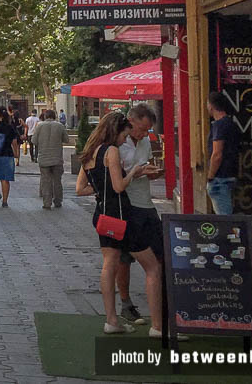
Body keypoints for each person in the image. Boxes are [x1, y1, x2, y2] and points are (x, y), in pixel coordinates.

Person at [75, 111, 162, 336]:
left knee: (109, 265)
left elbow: (80, 189)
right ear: (117, 131)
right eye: (124, 134)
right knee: (153, 267)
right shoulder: (111, 151)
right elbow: (119, 186)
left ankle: (112, 320)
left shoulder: (90, 152)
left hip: (102, 215)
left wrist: (102, 186)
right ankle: (158, 327)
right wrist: (134, 171)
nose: (125, 139)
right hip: (123, 215)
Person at [114, 103, 164, 325]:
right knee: (124, 258)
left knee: (160, 254)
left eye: (147, 130)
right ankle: (125, 303)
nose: (144, 134)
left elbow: (148, 163)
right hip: (126, 206)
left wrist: (152, 172)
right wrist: (136, 173)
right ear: (130, 121)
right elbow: (114, 176)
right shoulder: (117, 142)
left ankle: (160, 302)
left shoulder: (144, 141)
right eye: (141, 129)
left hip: (146, 204)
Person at [206, 91, 240, 214]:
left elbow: (217, 154)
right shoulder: (231, 124)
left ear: (211, 106)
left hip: (220, 178)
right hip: (231, 174)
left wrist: (210, 177)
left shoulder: (219, 126)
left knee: (224, 220)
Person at [31, 109, 70, 209]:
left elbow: (33, 141)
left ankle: (47, 203)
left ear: (45, 116)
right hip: (57, 158)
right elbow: (66, 140)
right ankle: (58, 201)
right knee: (57, 181)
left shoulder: (39, 126)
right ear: (54, 116)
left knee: (46, 181)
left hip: (44, 158)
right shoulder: (60, 126)